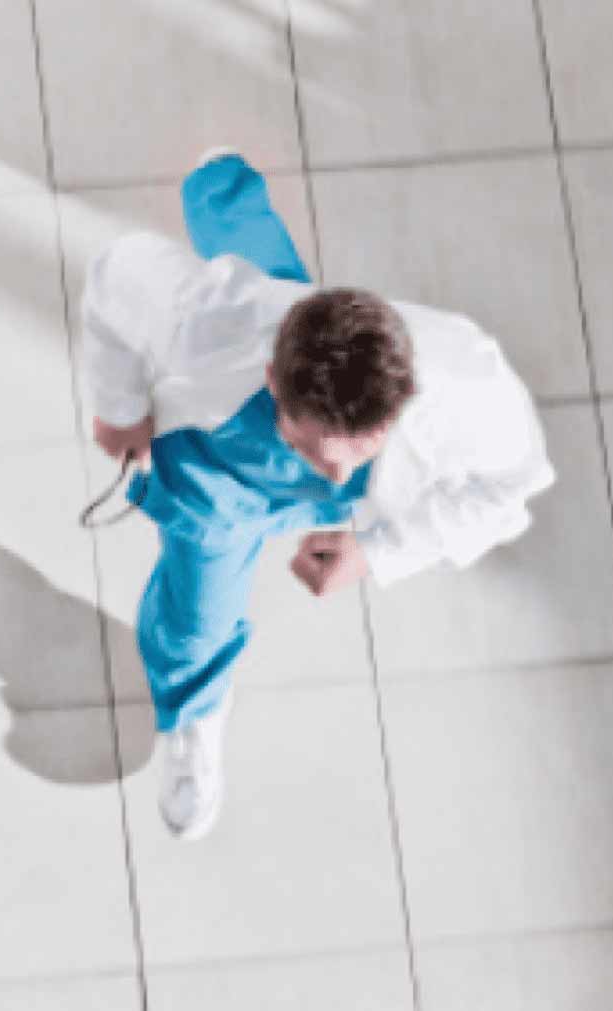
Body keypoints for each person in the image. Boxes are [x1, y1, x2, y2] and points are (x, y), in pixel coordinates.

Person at [81, 148, 556, 840]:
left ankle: (222, 188)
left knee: (279, 282)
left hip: (287, 331)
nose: (334, 479)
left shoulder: (471, 386)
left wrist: (379, 551)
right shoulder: (205, 316)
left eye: (355, 451)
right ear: (275, 380)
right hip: (222, 473)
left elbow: (512, 487)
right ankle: (193, 710)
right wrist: (119, 408)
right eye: (311, 450)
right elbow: (113, 272)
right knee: (195, 621)